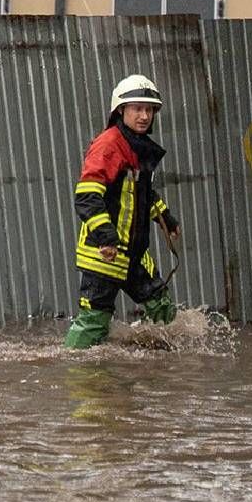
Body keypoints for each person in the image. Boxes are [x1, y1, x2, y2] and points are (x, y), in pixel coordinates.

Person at [63, 74, 182, 349]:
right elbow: (87, 196)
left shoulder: (135, 147)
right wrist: (106, 238)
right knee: (94, 321)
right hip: (104, 254)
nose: (144, 116)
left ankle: (176, 369)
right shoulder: (109, 145)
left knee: (164, 312)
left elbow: (141, 194)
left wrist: (165, 218)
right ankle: (76, 374)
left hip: (132, 254)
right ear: (120, 110)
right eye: (137, 109)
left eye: (149, 109)